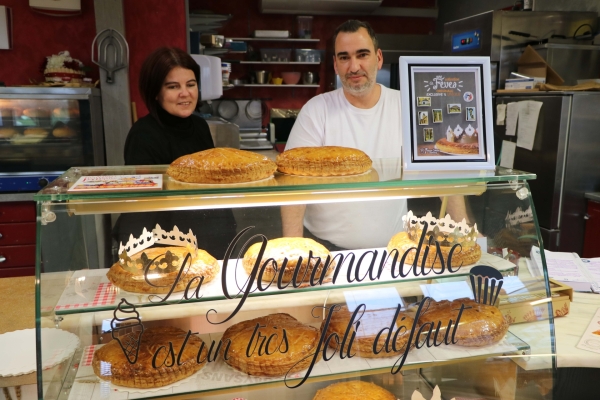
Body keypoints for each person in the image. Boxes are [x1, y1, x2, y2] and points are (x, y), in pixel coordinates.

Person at [282, 20, 466, 250]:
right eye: (344, 57)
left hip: (395, 248)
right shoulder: (316, 110)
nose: (354, 66)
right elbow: (292, 184)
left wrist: (465, 233)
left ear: (378, 58)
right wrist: (295, 250)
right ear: (335, 64)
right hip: (325, 247)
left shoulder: (407, 106)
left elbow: (442, 174)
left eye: (362, 55)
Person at [113, 47, 236, 259]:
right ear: (155, 91)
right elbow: (144, 202)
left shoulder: (199, 126)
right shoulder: (143, 134)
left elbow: (207, 181)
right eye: (173, 86)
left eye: (191, 84)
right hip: (169, 242)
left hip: (209, 233)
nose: (185, 93)